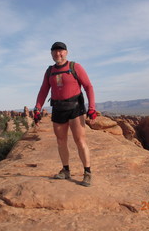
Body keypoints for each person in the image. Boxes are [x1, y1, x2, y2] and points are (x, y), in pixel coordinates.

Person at [34, 42, 97, 187]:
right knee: (61, 141)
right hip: (58, 108)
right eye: (55, 52)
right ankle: (66, 170)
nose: (58, 54)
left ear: (66, 52)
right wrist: (37, 108)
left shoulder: (75, 67)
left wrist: (91, 108)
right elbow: (43, 90)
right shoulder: (49, 71)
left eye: (61, 51)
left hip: (75, 108)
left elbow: (88, 86)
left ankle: (87, 173)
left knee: (80, 141)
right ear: (51, 54)